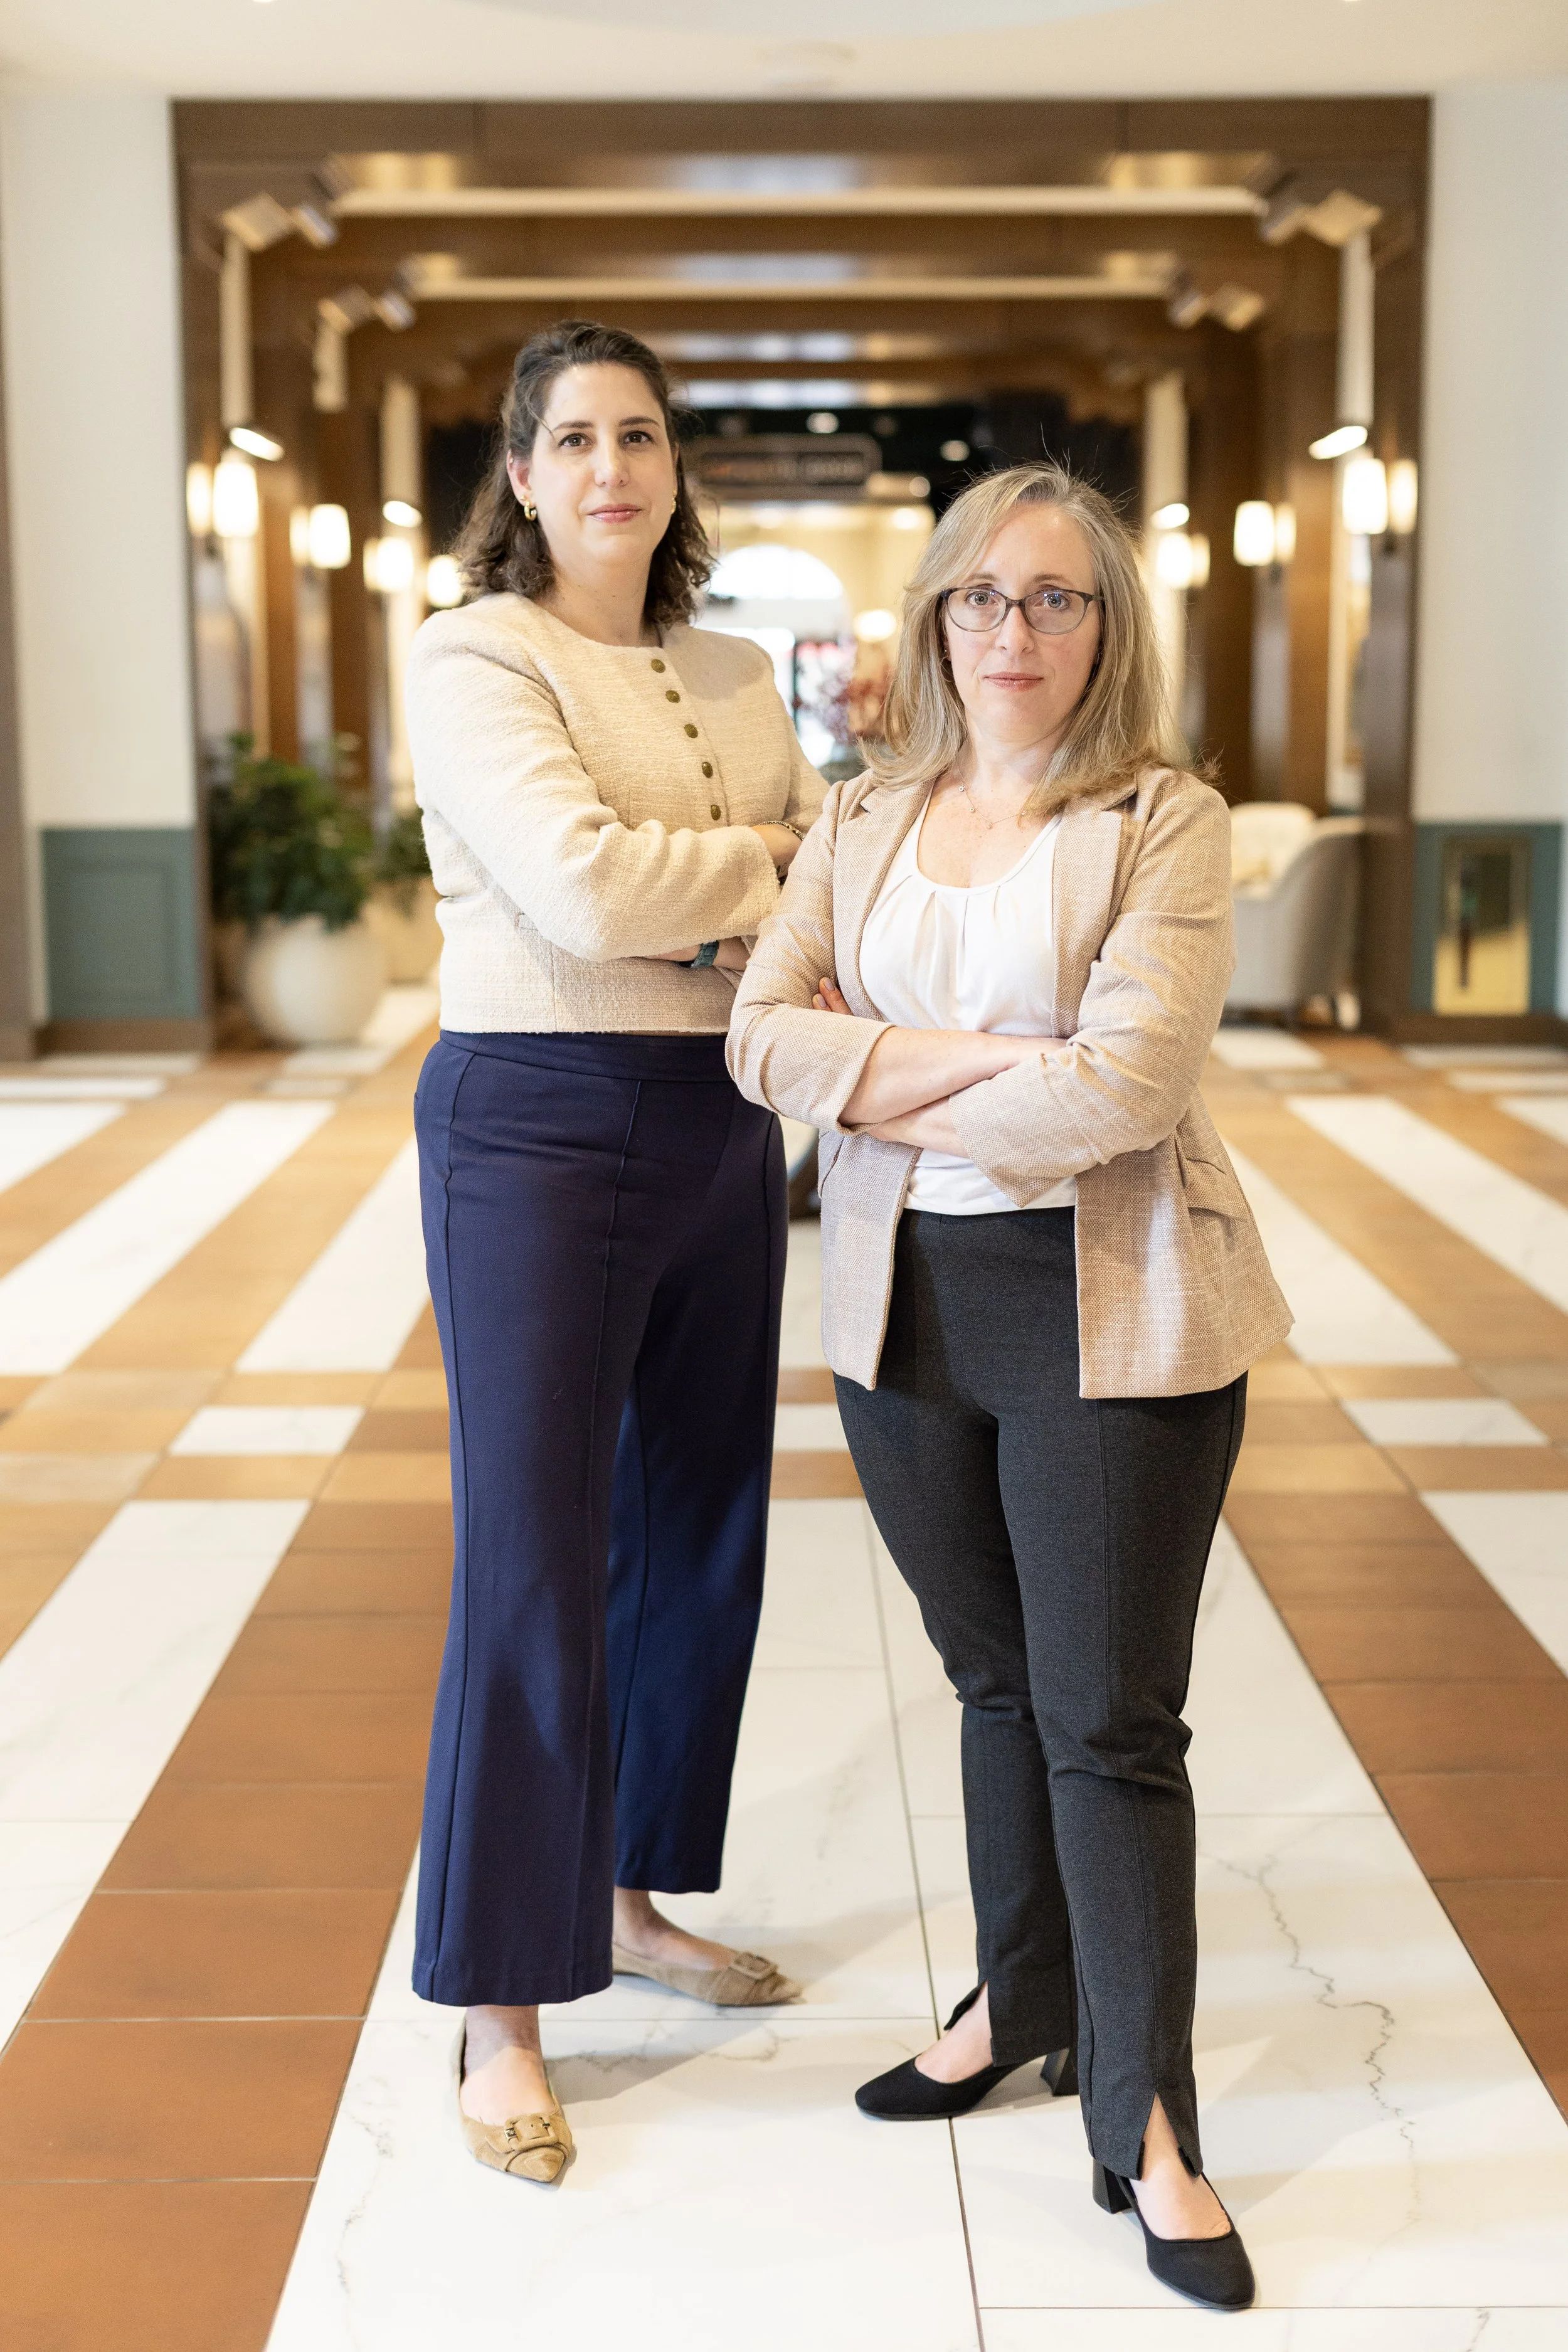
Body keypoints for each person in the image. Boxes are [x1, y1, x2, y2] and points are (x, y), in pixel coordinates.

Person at [728, 462, 1290, 2311]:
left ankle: (1146, 2120)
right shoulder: (863, 810)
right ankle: (1013, 1996)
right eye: (983, 593)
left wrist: (877, 1065)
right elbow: (757, 1037)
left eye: (1055, 598)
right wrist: (976, 1055)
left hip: (1105, 1304)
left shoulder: (1161, 818)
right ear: (935, 618)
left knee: (1103, 1720)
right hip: (904, 1307)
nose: (1014, 628)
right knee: (988, 1677)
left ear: (1104, 625)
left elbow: (1121, 1094)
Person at [405, 319, 823, 2183]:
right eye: (570, 439)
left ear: (672, 465)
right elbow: (578, 882)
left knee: (697, 1527)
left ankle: (632, 1891)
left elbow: (822, 877)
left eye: (638, 435)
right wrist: (751, 870)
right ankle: (502, 2004)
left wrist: (734, 879)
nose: (609, 469)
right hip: (534, 1127)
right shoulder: (472, 653)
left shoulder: (733, 665)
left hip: (725, 1117)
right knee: (535, 1548)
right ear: (521, 472)